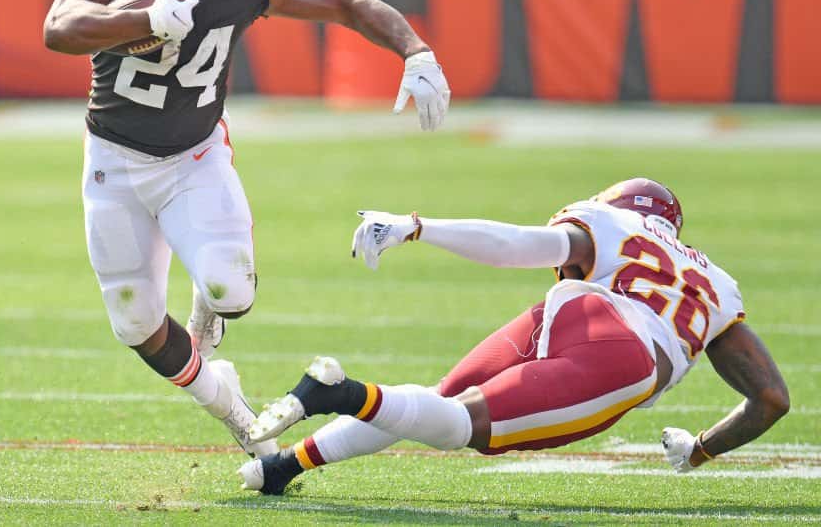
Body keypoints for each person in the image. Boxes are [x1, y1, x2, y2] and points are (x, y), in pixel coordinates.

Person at [42, 0, 451, 458]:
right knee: (133, 321)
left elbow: (341, 1)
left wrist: (414, 49)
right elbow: (59, 26)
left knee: (231, 291)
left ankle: (210, 302)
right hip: (114, 160)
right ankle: (229, 403)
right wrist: (139, 16)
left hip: (194, 156)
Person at [238, 178, 789, 493]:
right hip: (627, 355)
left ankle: (281, 467)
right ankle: (337, 393)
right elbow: (770, 399)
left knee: (436, 403)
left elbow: (518, 244)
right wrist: (697, 452)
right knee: (457, 427)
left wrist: (419, 227)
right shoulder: (716, 284)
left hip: (571, 312)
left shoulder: (608, 224)